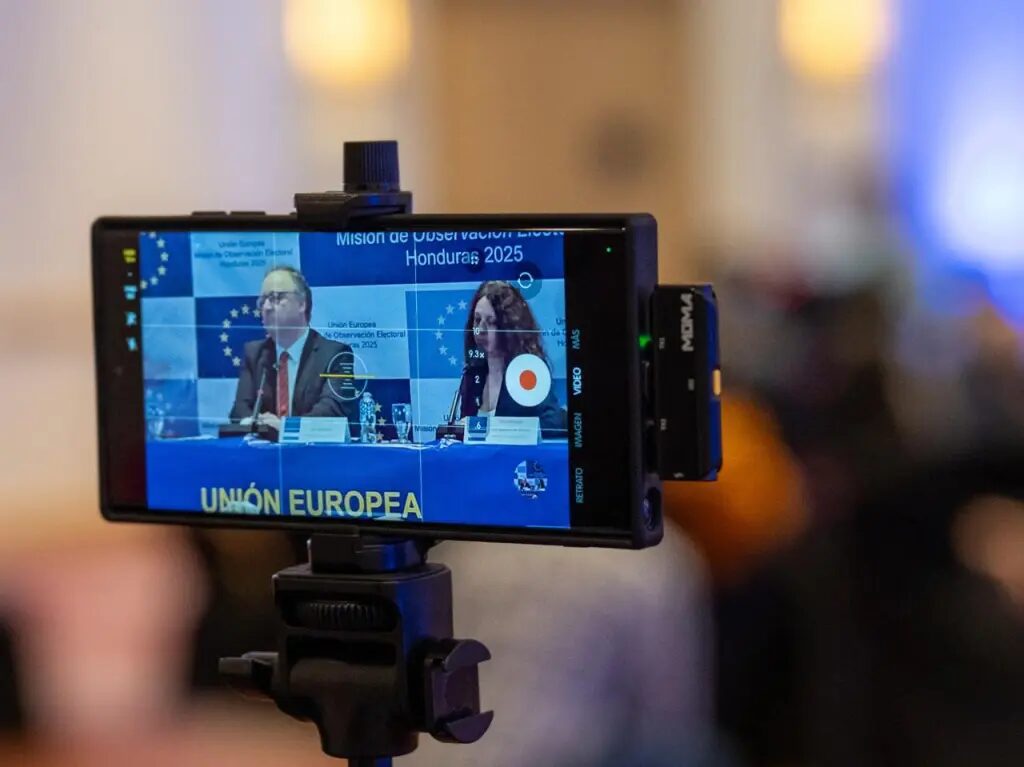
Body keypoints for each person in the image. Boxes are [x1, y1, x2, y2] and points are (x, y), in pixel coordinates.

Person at [229, 265, 352, 431]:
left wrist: (286, 428)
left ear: (301, 304)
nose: (266, 307)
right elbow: (239, 411)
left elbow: (332, 412)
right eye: (263, 301)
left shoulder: (335, 355)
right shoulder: (255, 354)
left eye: (276, 298)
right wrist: (257, 424)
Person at [458, 280, 566, 431]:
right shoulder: (473, 372)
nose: (480, 330)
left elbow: (552, 425)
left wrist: (500, 429)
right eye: (477, 320)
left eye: (491, 322)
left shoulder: (528, 369)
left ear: (509, 326)